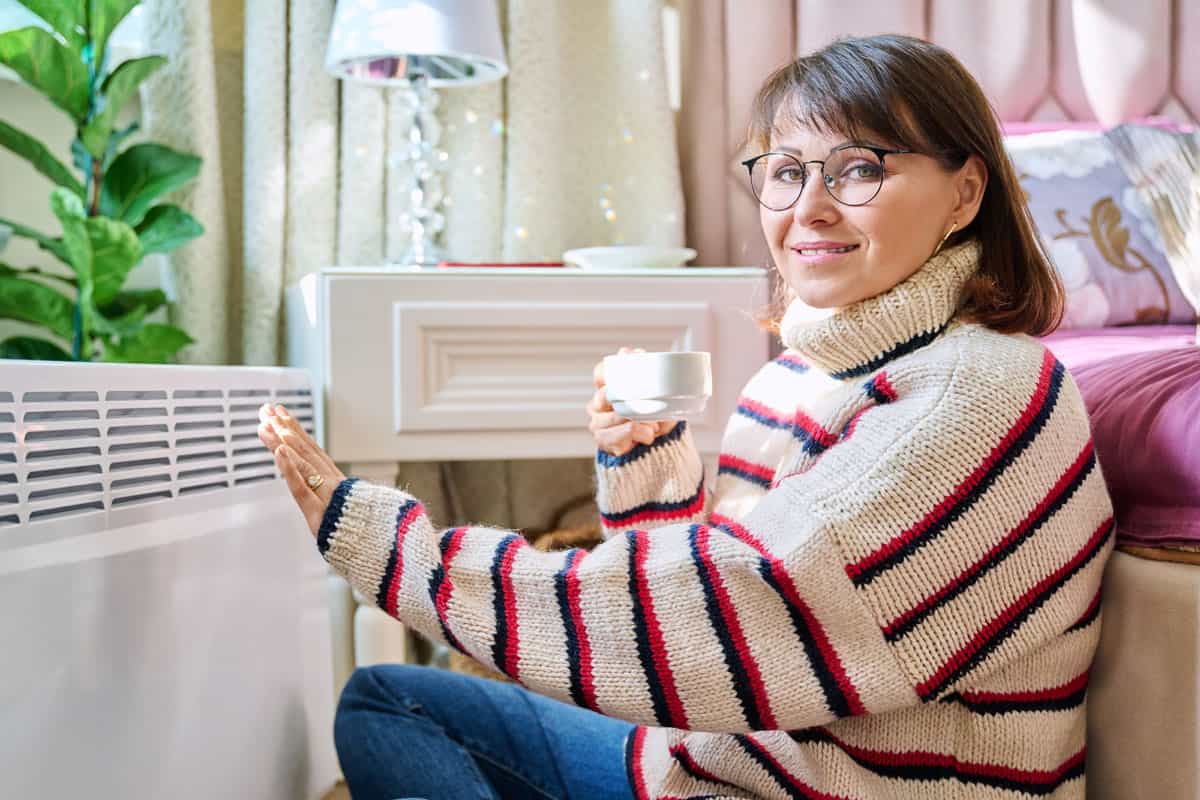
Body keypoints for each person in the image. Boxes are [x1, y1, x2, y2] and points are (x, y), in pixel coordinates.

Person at [259, 33, 1113, 800]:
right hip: (726, 765)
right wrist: (653, 472)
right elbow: (710, 641)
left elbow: (738, 610)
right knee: (389, 700)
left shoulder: (981, 395)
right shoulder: (792, 382)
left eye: (858, 168)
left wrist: (405, 555)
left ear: (965, 194)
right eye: (785, 171)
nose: (808, 207)